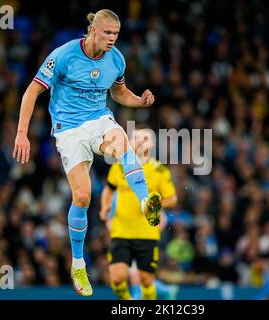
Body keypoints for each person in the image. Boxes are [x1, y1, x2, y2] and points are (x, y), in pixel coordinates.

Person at [13, 9, 163, 297]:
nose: (112, 39)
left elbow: (118, 93)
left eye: (116, 35)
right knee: (82, 195)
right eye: (107, 33)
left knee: (121, 142)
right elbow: (31, 92)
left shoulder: (116, 59)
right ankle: (78, 263)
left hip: (98, 120)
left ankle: (147, 202)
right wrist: (22, 133)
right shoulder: (65, 55)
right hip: (68, 128)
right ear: (93, 30)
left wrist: (140, 102)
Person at [100, 128, 178, 300]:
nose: (140, 141)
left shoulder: (160, 170)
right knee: (117, 277)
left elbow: (172, 199)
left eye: (145, 138)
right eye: (135, 137)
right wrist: (105, 206)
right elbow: (109, 189)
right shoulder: (119, 166)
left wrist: (155, 205)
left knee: (146, 281)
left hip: (147, 233)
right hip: (121, 230)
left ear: (152, 144)